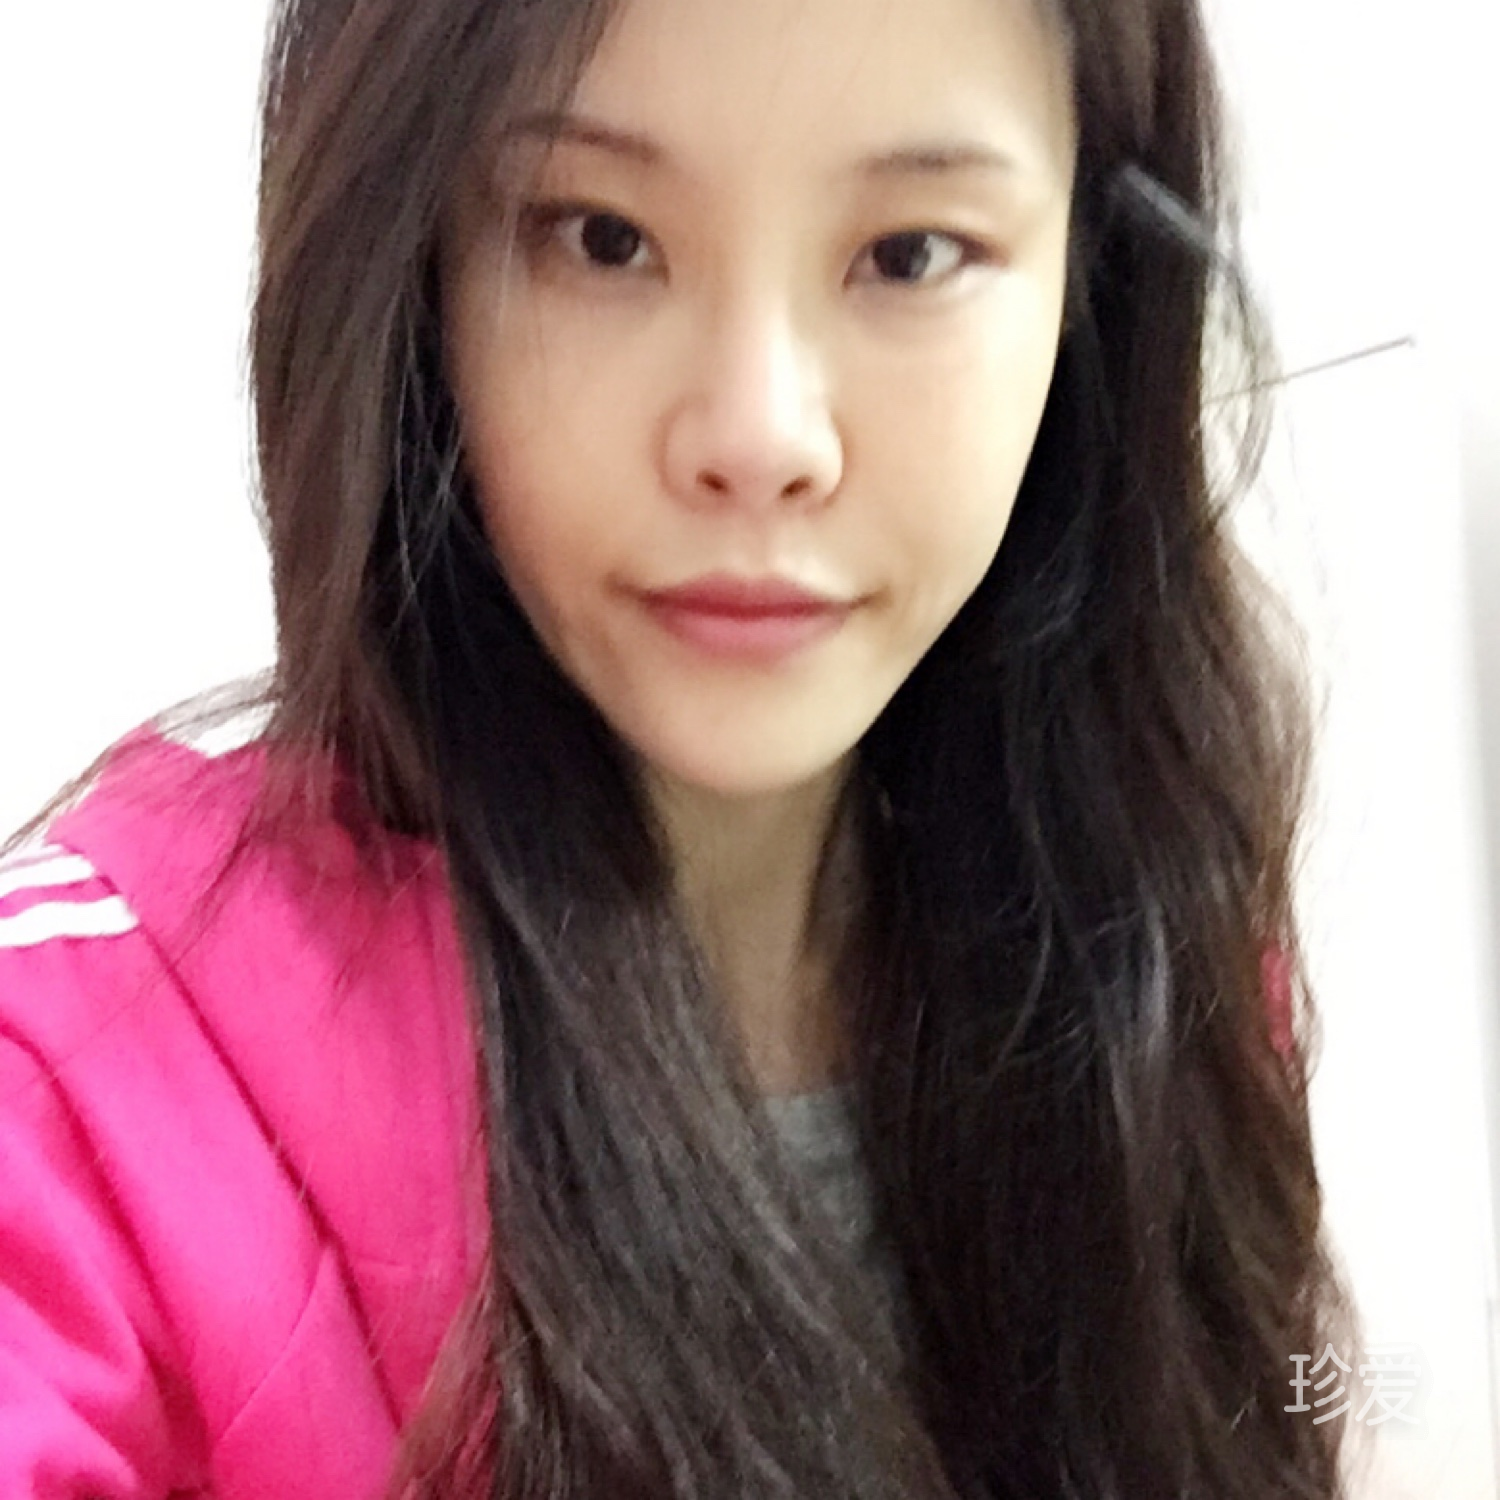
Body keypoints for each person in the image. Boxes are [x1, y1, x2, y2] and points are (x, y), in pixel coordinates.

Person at [0, 0, 1356, 1493]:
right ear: (415, 265)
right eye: (601, 239)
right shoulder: (90, 1087)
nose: (761, 437)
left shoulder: (1152, 944)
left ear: (1086, 284)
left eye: (911, 253)